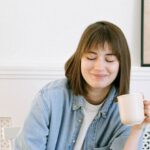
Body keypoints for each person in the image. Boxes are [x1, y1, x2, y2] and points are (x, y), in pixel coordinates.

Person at [14, 21, 150, 150]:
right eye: (91, 57)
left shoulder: (126, 110)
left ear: (121, 65)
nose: (99, 67)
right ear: (79, 59)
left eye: (109, 59)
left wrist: (137, 129)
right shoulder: (49, 97)